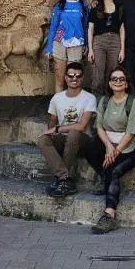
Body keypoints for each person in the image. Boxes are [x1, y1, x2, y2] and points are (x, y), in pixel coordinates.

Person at [84, 66, 135, 234]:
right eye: (114, 79)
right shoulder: (103, 101)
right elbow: (99, 126)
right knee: (90, 148)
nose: (117, 82)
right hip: (108, 142)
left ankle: (109, 215)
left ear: (126, 83)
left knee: (113, 169)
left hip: (128, 146)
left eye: (121, 79)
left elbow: (131, 132)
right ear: (109, 83)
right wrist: (109, 147)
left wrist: (116, 151)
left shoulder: (133, 102)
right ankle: (106, 179)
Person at [36, 61, 96, 197]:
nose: (74, 79)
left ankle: (62, 179)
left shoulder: (89, 98)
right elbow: (52, 120)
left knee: (74, 133)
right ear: (65, 77)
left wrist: (57, 129)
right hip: (63, 139)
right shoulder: (57, 98)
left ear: (82, 78)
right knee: (43, 140)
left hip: (82, 141)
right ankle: (65, 179)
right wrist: (50, 133)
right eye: (71, 76)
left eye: (78, 76)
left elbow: (82, 126)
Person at [43, 0, 87, 93]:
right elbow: (53, 28)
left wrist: (86, 45)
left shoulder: (83, 5)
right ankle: (59, 108)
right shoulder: (59, 6)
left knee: (74, 78)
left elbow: (85, 26)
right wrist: (49, 48)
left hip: (76, 43)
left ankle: (73, 107)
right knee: (60, 78)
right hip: (59, 42)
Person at [87, 0, 125, 96]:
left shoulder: (119, 6)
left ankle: (110, 104)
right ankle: (97, 106)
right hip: (99, 42)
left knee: (112, 75)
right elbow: (90, 28)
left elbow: (122, 29)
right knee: (98, 76)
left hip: (115, 42)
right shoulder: (96, 6)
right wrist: (90, 50)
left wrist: (122, 49)